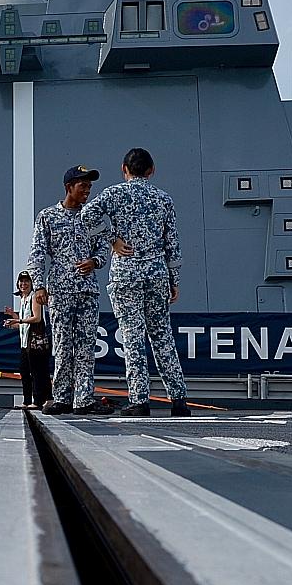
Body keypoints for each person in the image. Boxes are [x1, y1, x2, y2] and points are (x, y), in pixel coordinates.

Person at [79, 148, 189, 416]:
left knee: (133, 337)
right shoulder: (164, 199)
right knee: (162, 336)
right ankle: (179, 400)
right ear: (151, 170)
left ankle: (140, 400)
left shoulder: (114, 194)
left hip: (126, 274)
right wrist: (174, 280)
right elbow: (172, 244)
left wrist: (111, 240)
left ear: (124, 169)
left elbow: (85, 217)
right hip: (156, 274)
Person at [29, 165, 114, 416]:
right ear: (69, 187)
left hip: (87, 291)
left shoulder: (94, 219)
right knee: (63, 346)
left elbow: (104, 249)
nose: (87, 190)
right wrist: (39, 286)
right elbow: (37, 253)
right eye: (82, 186)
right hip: (61, 291)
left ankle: (84, 399)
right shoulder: (47, 216)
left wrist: (94, 262)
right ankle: (62, 398)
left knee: (86, 346)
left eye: (89, 186)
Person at [4, 270, 51, 409]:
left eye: (26, 281)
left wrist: (19, 319)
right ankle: (26, 400)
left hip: (35, 342)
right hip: (25, 343)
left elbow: (37, 318)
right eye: (21, 281)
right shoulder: (23, 299)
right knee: (24, 371)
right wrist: (13, 320)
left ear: (31, 283)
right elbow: (23, 325)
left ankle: (38, 401)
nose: (23, 284)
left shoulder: (34, 297)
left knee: (37, 372)